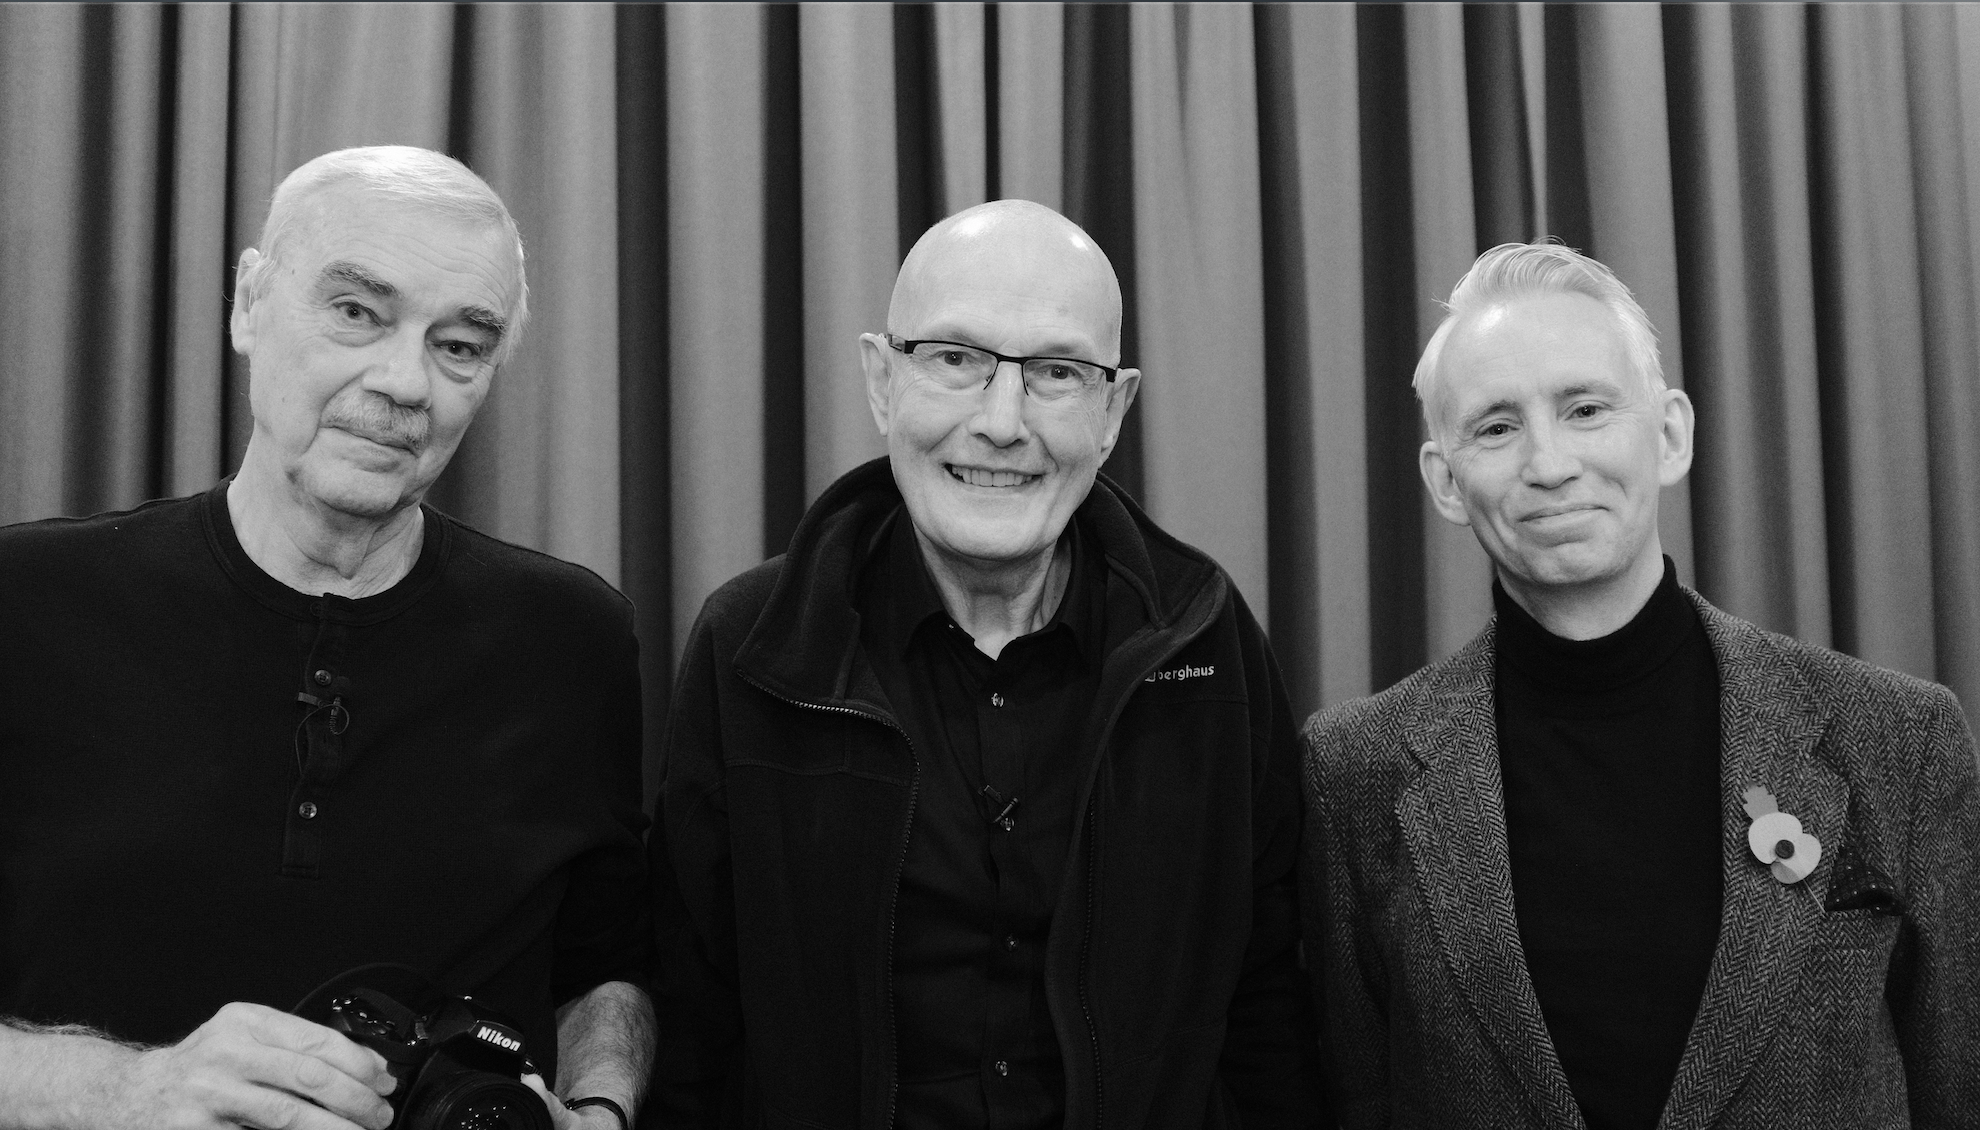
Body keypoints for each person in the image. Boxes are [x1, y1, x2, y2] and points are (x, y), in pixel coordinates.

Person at [0, 146, 653, 1130]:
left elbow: (607, 964)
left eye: (461, 345)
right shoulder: (25, 602)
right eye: (356, 312)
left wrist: (603, 1105)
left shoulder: (572, 636)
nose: (404, 383)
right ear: (249, 302)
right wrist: (132, 1089)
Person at [650, 199, 1323, 1129]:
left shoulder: (1207, 643)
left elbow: (1269, 1013)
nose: (1003, 423)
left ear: (1113, 409)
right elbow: (693, 1025)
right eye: (956, 360)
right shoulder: (753, 647)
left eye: (1055, 372)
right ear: (882, 382)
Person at [1302, 241, 1979, 1129]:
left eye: (1585, 409)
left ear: (1668, 435)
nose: (1549, 463)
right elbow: (1359, 1099)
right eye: (1497, 427)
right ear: (1446, 481)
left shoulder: (1901, 738)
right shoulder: (1355, 771)